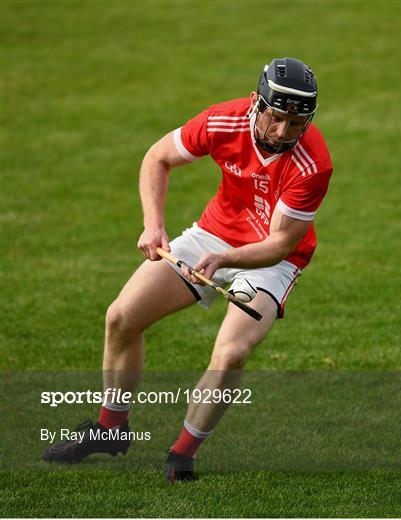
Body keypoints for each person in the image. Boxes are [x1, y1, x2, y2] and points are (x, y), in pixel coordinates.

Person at [42, 57, 333, 481]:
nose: (282, 132)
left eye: (295, 123)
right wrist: (153, 225)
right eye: (275, 117)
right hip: (213, 234)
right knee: (122, 317)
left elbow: (279, 243)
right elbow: (157, 157)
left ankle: (182, 453)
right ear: (256, 103)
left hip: (273, 257)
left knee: (232, 353)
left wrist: (226, 261)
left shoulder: (313, 165)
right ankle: (110, 428)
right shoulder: (223, 121)